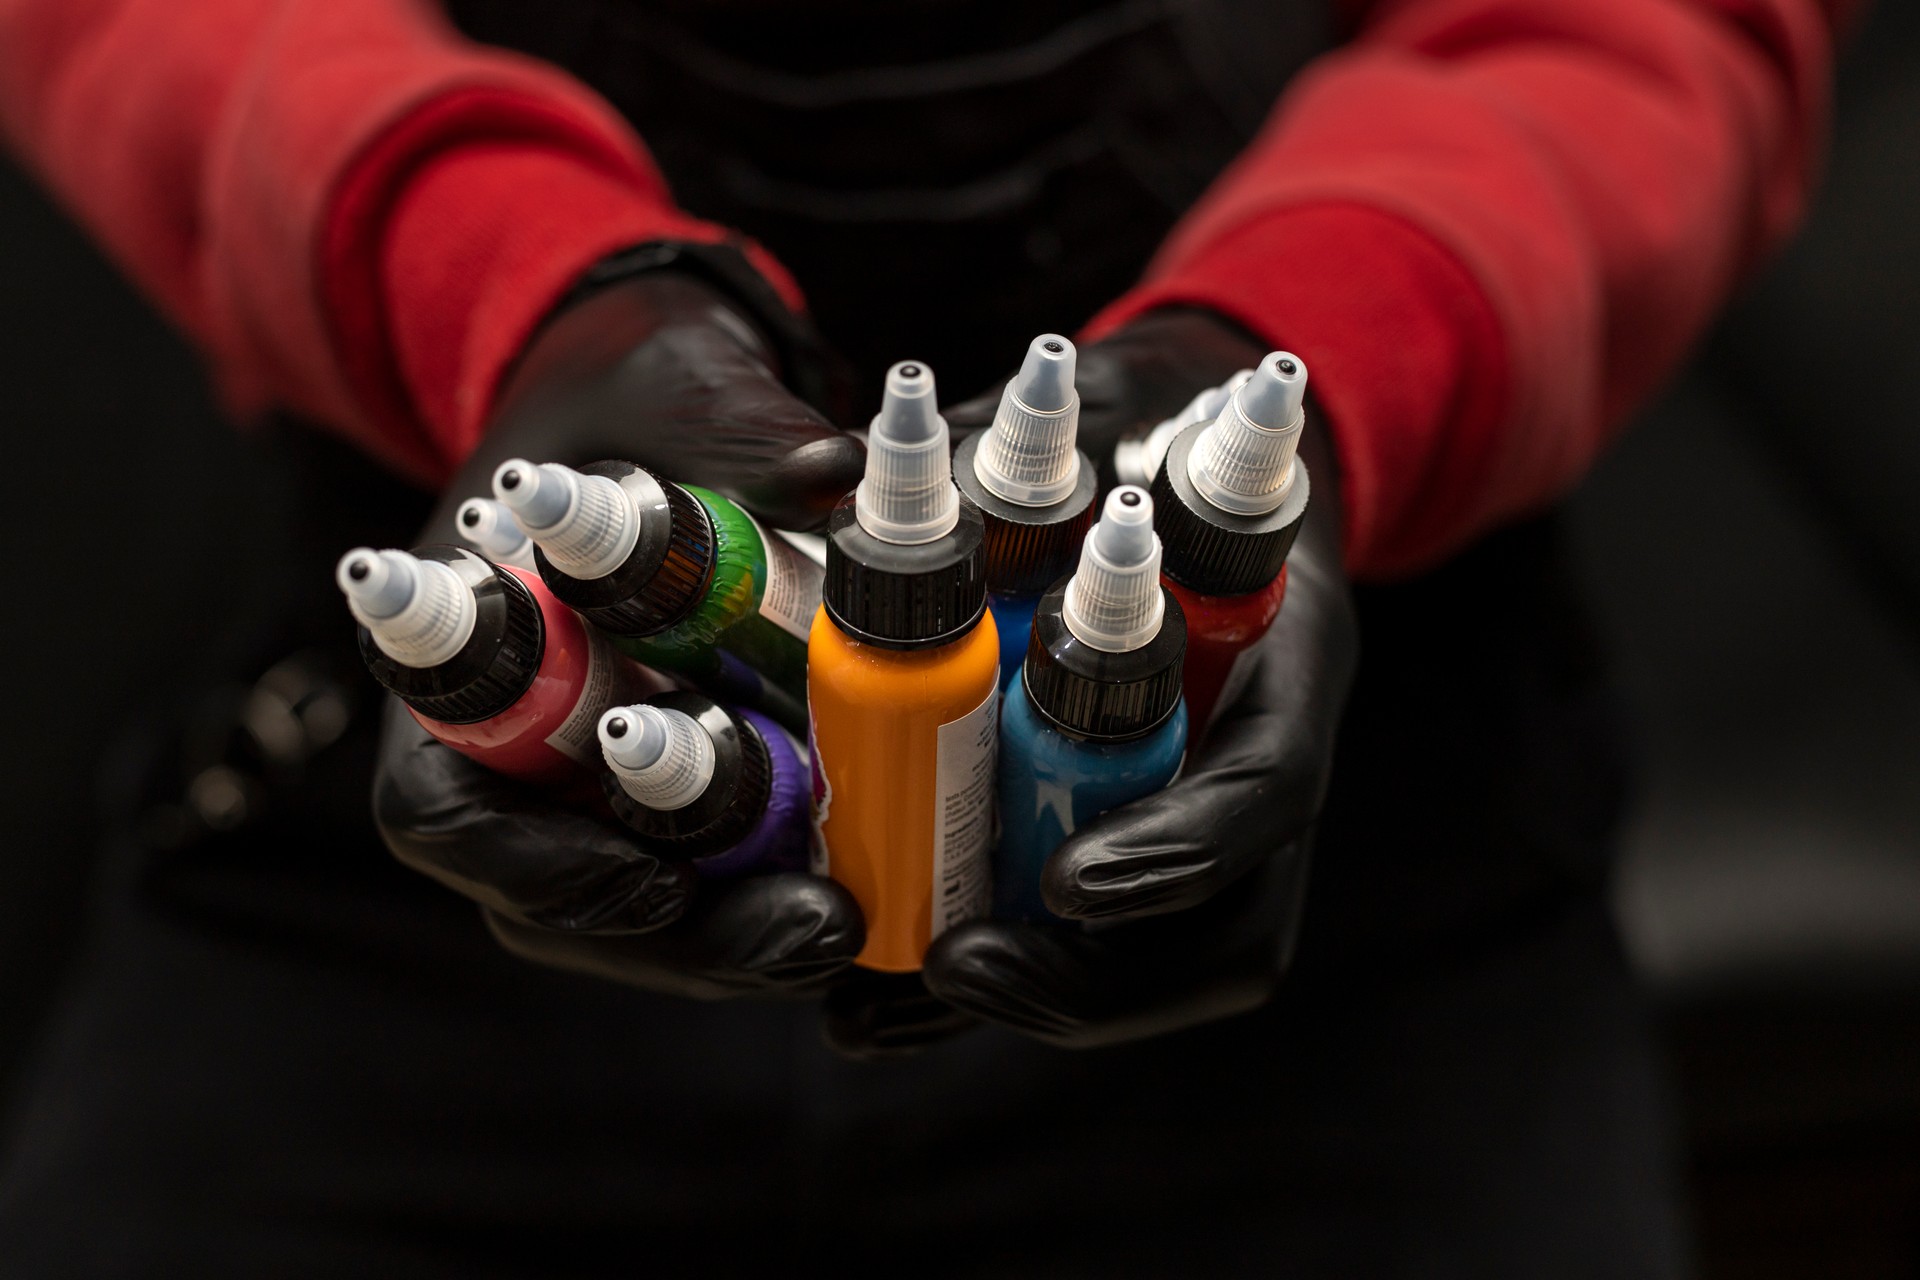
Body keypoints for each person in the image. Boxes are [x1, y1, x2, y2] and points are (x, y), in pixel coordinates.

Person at [0, 0, 1852, 1273]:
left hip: (1349, 853)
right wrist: (498, 281)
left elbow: (1640, 37)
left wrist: (1310, 360)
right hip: (405, 867)